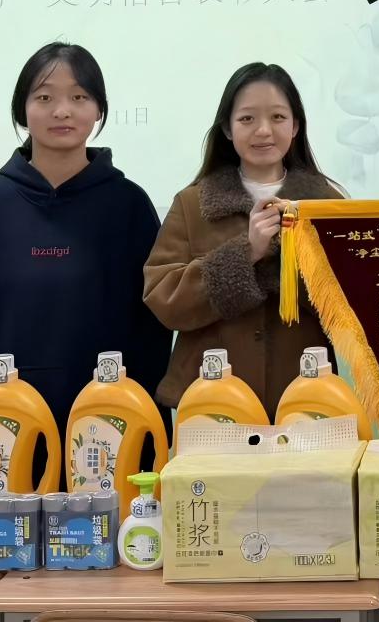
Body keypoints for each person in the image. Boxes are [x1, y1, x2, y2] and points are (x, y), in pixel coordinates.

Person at [0, 43, 168, 514]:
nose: (62, 111)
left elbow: (153, 339)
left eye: (79, 97)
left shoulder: (130, 207)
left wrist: (150, 451)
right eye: (44, 97)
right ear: (22, 109)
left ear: (99, 110)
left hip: (108, 442)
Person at [144, 63, 339, 412]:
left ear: (295, 126)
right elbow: (164, 297)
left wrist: (291, 263)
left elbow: (352, 301)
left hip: (305, 393)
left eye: (278, 117)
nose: (263, 130)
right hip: (211, 398)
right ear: (227, 129)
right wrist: (245, 254)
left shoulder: (325, 203)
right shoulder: (192, 203)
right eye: (247, 119)